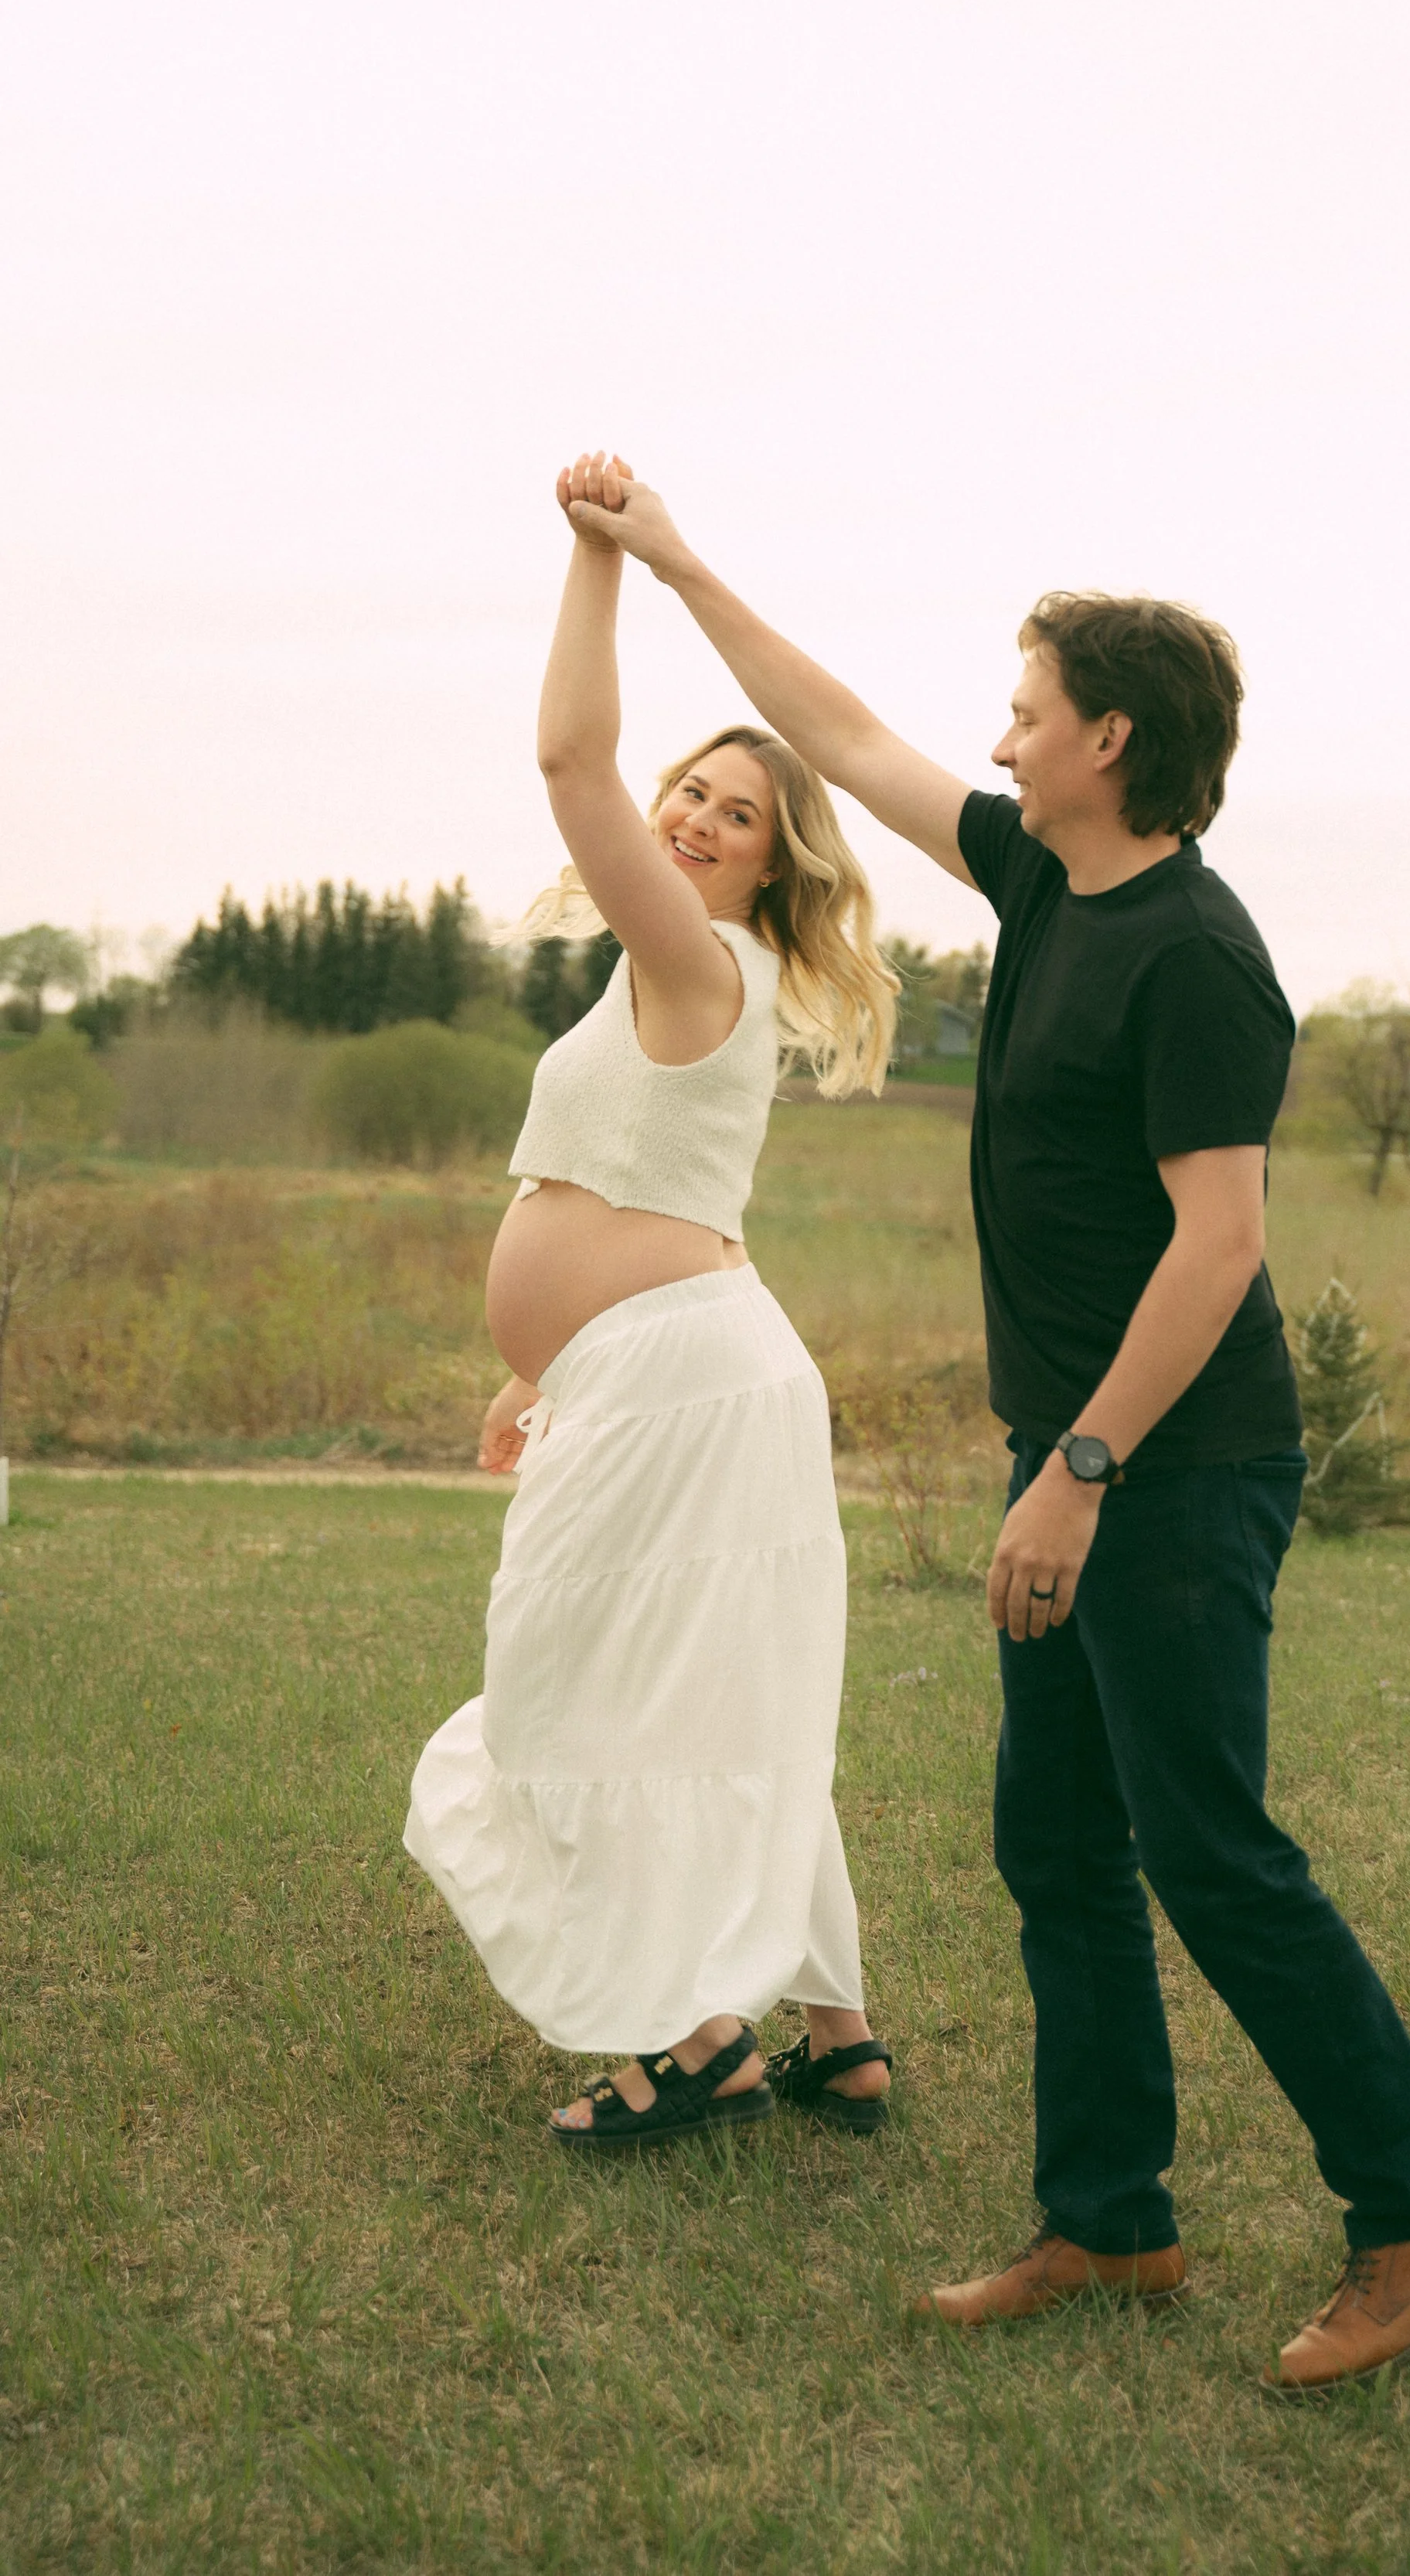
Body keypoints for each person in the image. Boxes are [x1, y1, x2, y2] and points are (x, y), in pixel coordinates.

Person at [557, 456, 1410, 2389]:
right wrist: (663, 562)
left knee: (1209, 1849)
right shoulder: (1034, 875)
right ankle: (1107, 2222)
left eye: (1024, 704)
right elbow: (835, 727)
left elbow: (1221, 1241)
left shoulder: (1196, 953)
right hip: (1065, 1457)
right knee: (1056, 1845)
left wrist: (1081, 1471)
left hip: (1173, 1465)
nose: (995, 730)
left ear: (1111, 736)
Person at [404, 452, 896, 2149]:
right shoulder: (677, 976)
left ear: (771, 869)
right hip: (657, 1368)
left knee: (579, 1697)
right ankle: (832, 2027)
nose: (687, 818)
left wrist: (595, 557)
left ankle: (692, 2042)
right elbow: (648, 1191)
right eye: (687, 793)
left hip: (679, 1384)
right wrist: (537, 1365)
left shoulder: (701, 961)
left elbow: (565, 759)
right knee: (717, 1695)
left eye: (730, 814)